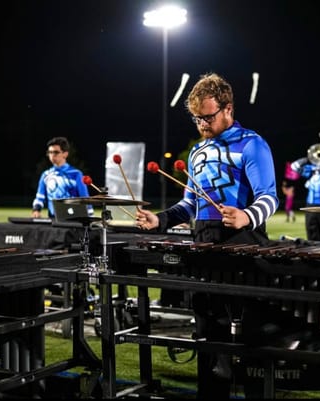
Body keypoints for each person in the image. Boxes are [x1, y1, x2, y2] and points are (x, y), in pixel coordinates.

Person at [134, 73, 279, 399]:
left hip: (242, 245)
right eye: (197, 118)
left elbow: (270, 197)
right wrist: (160, 220)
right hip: (204, 248)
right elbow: (190, 204)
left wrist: (246, 215)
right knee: (207, 334)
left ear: (228, 109)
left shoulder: (252, 143)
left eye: (208, 117)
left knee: (249, 335)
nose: (201, 123)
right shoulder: (198, 151)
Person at [32, 136, 92, 218]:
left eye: (56, 152)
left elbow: (85, 199)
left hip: (74, 221)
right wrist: (36, 210)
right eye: (50, 152)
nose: (52, 155)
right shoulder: (45, 175)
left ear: (65, 154)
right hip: (53, 220)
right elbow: (39, 198)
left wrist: (90, 217)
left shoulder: (76, 174)